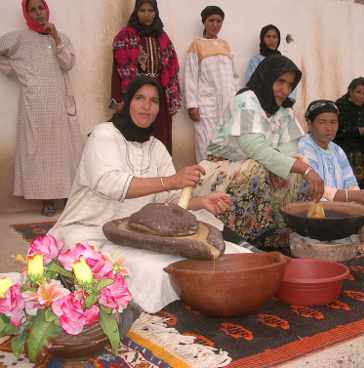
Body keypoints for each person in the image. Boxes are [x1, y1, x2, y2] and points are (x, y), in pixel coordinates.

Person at [49, 77, 248, 313]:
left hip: (136, 232)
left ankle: (247, 256)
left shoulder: (157, 147)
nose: (147, 106)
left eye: (154, 101)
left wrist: (200, 201)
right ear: (127, 103)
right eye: (139, 98)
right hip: (88, 230)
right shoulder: (103, 134)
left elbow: (170, 200)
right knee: (154, 272)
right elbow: (110, 184)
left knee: (199, 245)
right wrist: (171, 181)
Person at [193, 55, 324, 247]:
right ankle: (246, 237)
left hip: (262, 165)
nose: (284, 90)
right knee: (259, 169)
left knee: (297, 169)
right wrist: (302, 169)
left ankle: (280, 233)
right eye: (280, 81)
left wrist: (300, 168)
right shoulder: (246, 100)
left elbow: (290, 149)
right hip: (219, 169)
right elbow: (254, 147)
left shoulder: (284, 109)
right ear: (267, 77)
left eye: (289, 85)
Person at [0, 0, 83, 216]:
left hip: (60, 102)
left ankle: (66, 196)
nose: (38, 13)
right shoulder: (19, 38)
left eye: (41, 8)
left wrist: (55, 38)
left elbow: (67, 64)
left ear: (47, 9)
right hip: (35, 105)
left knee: (64, 151)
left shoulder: (61, 38)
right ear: (26, 13)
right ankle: (46, 200)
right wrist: (17, 71)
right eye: (33, 10)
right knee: (39, 152)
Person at [112, 0, 181, 153]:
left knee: (161, 136)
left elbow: (172, 69)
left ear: (155, 12)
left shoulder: (163, 38)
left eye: (150, 10)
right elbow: (118, 69)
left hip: (159, 95)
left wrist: (173, 98)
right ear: (136, 12)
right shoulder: (125, 36)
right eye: (142, 10)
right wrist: (118, 99)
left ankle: (163, 174)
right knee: (137, 135)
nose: (147, 14)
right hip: (136, 93)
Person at [298, 99, 364, 205]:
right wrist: (354, 196)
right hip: (312, 209)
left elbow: (351, 184)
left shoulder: (337, 149)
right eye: (322, 122)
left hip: (340, 207)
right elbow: (315, 189)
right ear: (310, 124)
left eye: (333, 122)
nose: (329, 128)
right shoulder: (304, 146)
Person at [183, 5, 238, 163]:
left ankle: (223, 182)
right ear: (204, 22)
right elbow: (190, 76)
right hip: (206, 104)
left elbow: (234, 76)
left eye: (219, 21)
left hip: (228, 102)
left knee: (227, 142)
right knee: (205, 143)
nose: (215, 24)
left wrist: (236, 100)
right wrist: (192, 105)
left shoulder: (225, 45)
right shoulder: (197, 45)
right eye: (211, 20)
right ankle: (204, 182)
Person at [244, 24, 297, 101]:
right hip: (261, 103)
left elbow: (292, 84)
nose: (271, 40)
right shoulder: (255, 61)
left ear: (278, 40)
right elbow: (250, 83)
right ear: (262, 39)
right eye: (268, 36)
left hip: (281, 103)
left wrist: (288, 102)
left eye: (274, 37)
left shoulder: (284, 62)